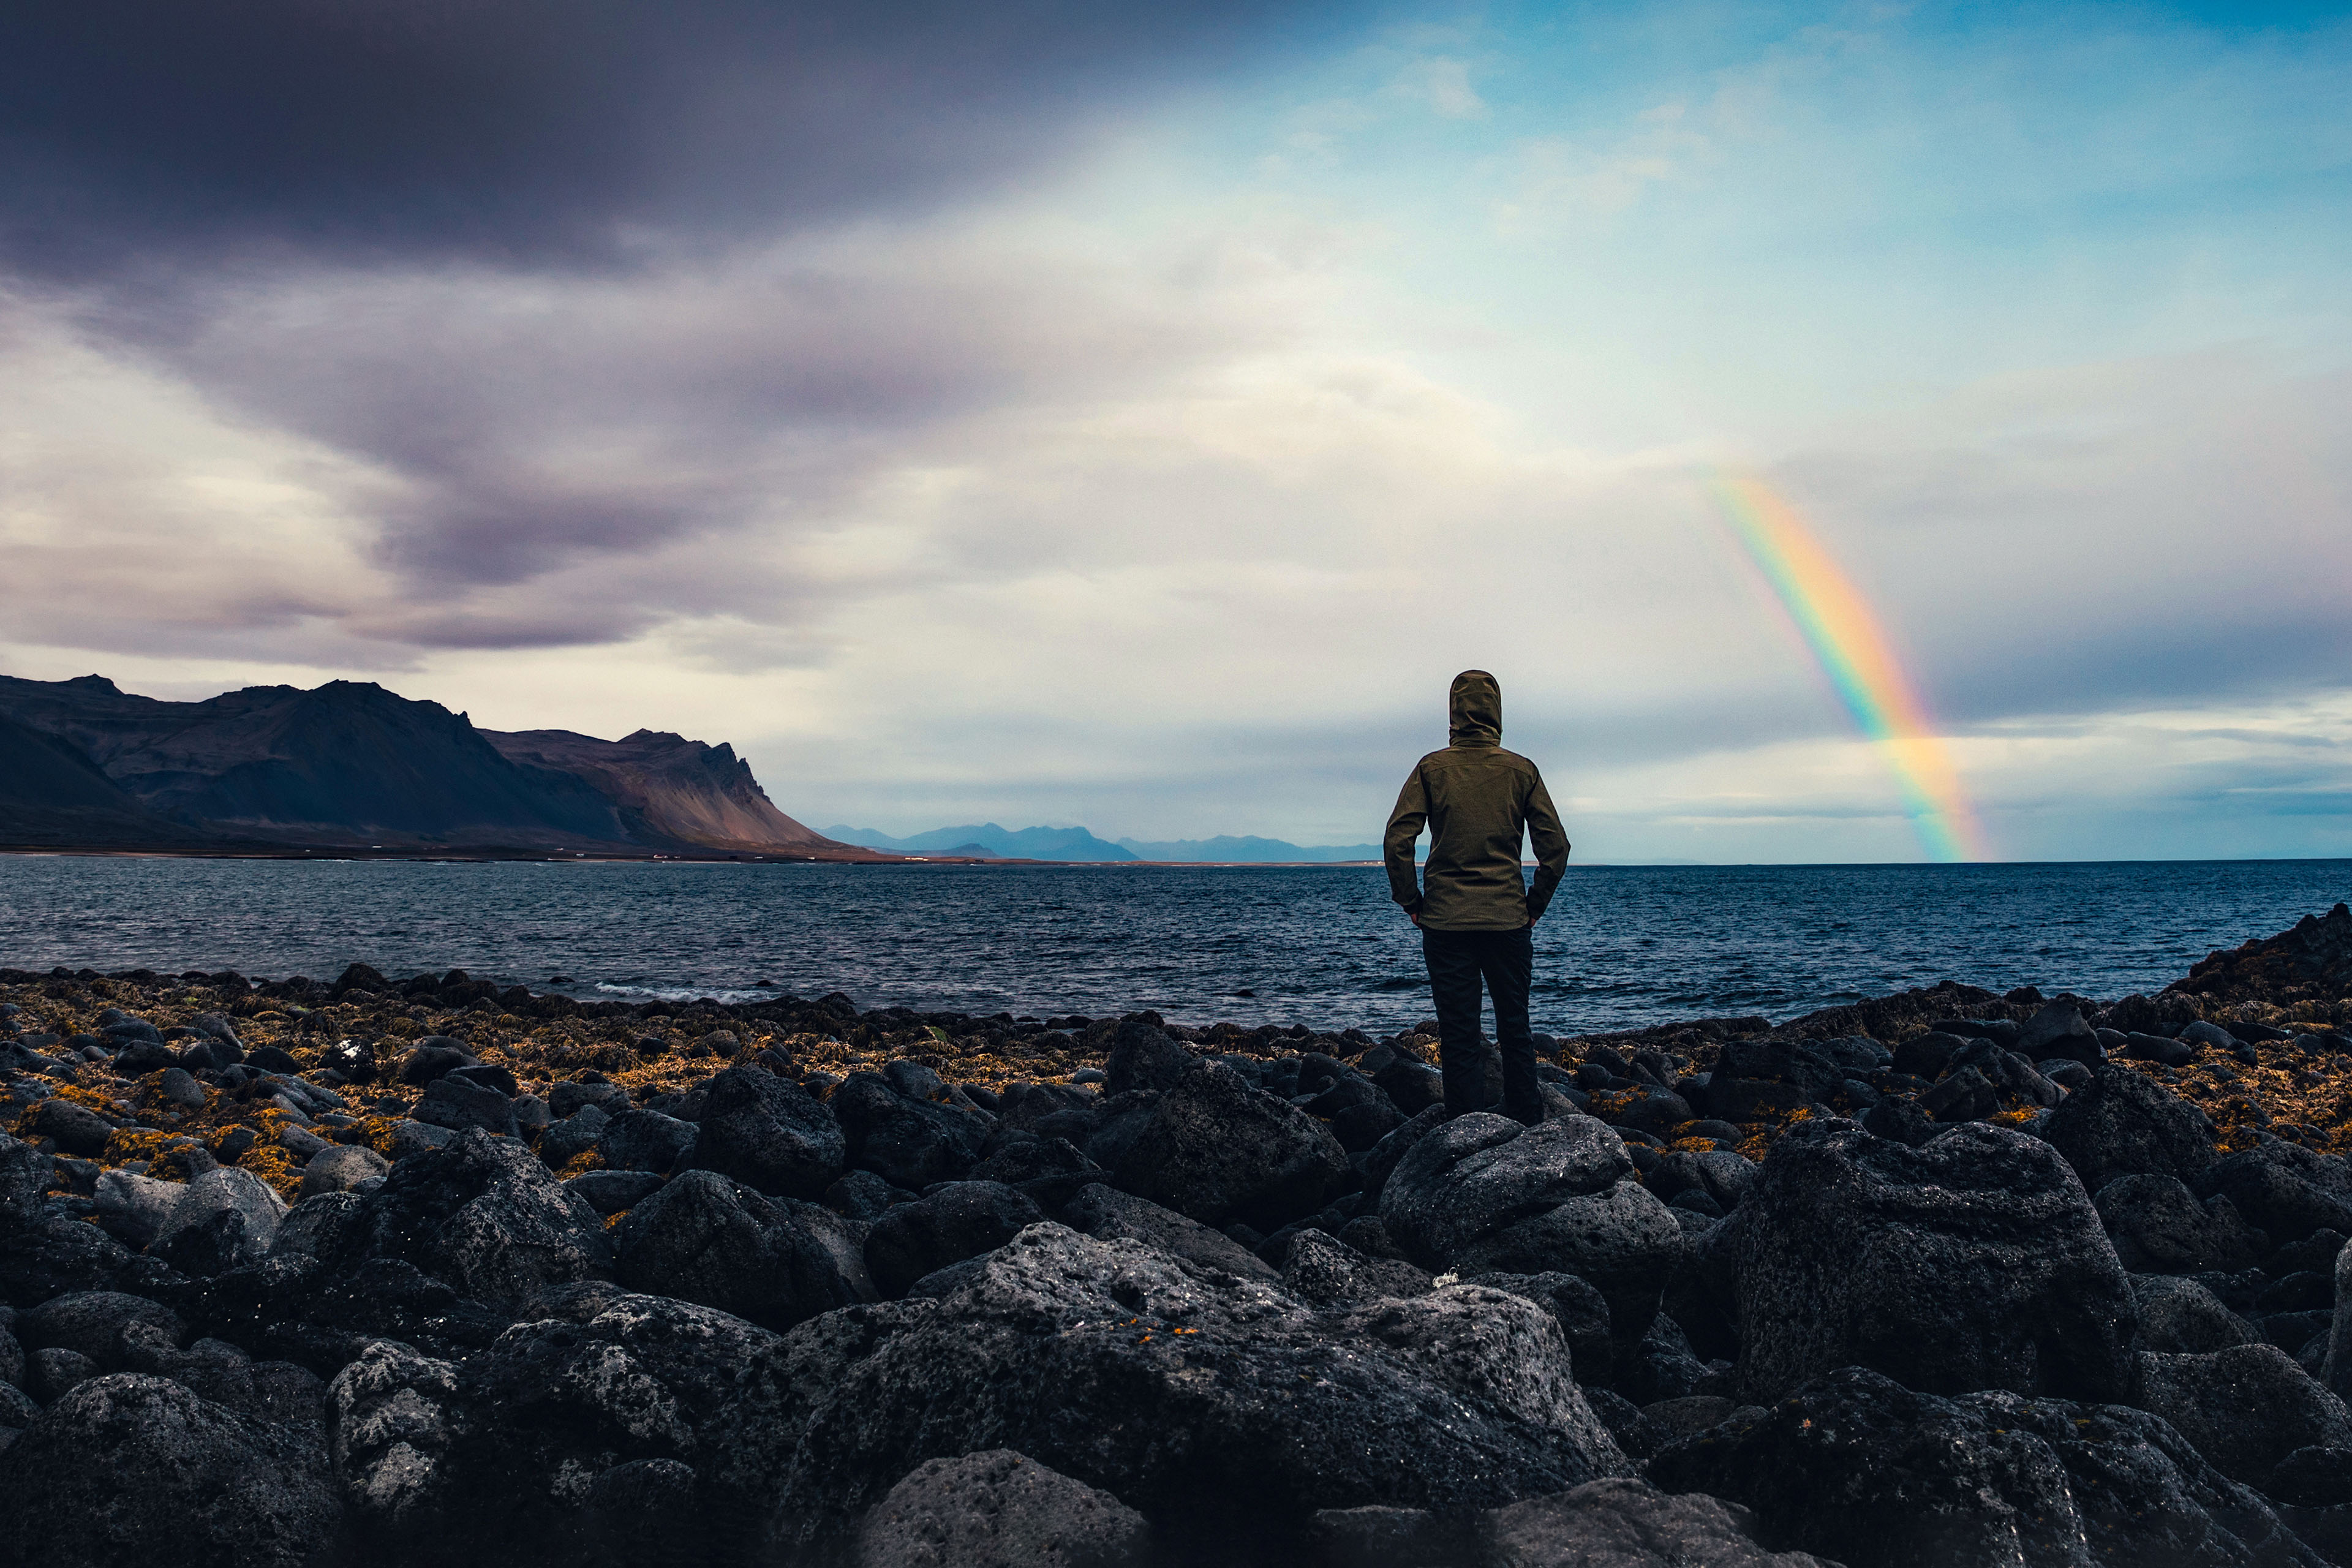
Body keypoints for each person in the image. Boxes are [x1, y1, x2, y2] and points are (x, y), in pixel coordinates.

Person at [1383, 669, 1570, 1123]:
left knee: (1459, 1033)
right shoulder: (1521, 770)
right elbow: (1556, 848)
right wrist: (1533, 907)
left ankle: (1465, 1132)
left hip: (1445, 923)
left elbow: (1396, 841)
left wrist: (1412, 902)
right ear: (1496, 713)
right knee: (1515, 1030)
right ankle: (1527, 1123)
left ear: (1453, 714)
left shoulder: (1432, 768)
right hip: (1508, 921)